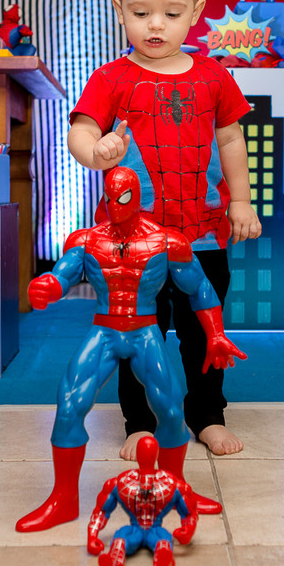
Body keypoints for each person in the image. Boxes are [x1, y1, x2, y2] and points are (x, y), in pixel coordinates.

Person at [67, 0, 261, 459]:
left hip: (201, 235)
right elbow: (80, 132)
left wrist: (241, 202)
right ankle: (139, 421)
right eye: (141, 12)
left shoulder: (215, 77)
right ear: (119, 10)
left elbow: (231, 139)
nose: (156, 25)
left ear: (195, 12)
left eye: (171, 13)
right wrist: (96, 150)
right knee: (135, 331)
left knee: (205, 330)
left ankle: (207, 414)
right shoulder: (111, 79)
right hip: (136, 244)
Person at [15, 167, 245, 533]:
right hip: (104, 332)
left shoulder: (166, 242)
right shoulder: (87, 241)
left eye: (123, 196)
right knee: (69, 405)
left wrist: (215, 333)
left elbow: (199, 288)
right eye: (110, 196)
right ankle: (63, 500)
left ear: (138, 196)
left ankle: (176, 488)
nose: (116, 204)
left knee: (170, 412)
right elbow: (62, 275)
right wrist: (46, 286)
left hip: (144, 331)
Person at [87, 434, 197, 566]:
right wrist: (92, 535)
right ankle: (112, 564)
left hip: (154, 528)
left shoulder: (173, 485)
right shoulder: (120, 483)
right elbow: (102, 510)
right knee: (120, 538)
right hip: (135, 528)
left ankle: (165, 563)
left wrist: (188, 529)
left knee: (162, 542)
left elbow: (190, 512)